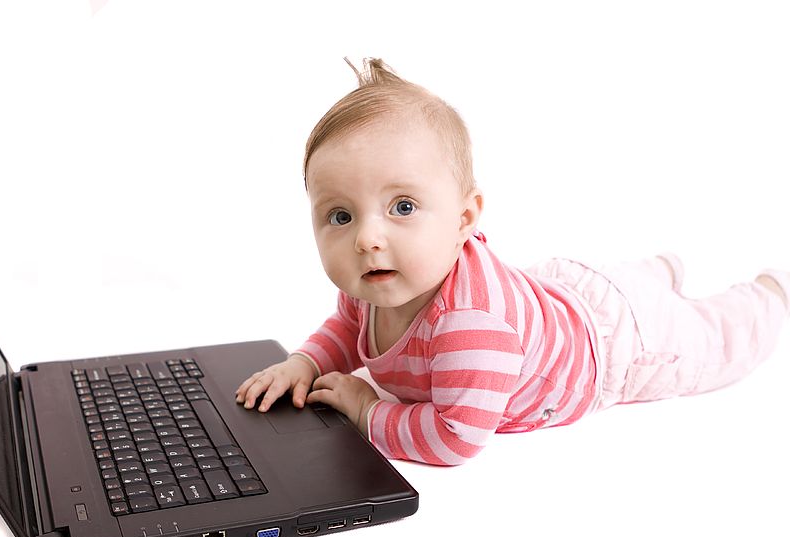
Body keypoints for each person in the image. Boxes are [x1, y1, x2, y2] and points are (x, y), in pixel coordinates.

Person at [235, 58, 789, 466]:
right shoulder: (375, 281)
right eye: (339, 216)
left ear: (464, 217)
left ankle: (767, 297)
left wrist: (366, 410)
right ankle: (658, 274)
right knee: (632, 287)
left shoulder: (469, 327)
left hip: (616, 349)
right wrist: (305, 363)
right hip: (560, 294)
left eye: (402, 206)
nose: (366, 238)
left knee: (711, 343)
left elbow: (456, 438)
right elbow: (347, 326)